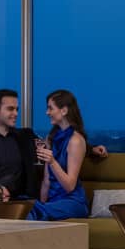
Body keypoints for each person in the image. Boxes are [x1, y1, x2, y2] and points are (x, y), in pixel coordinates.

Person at [27, 89, 92, 221]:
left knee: (33, 211)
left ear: (64, 111)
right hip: (53, 202)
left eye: (50, 108)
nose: (47, 112)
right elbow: (46, 181)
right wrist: (42, 203)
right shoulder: (51, 138)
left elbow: (69, 186)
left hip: (72, 202)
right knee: (25, 207)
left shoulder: (76, 141)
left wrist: (52, 162)